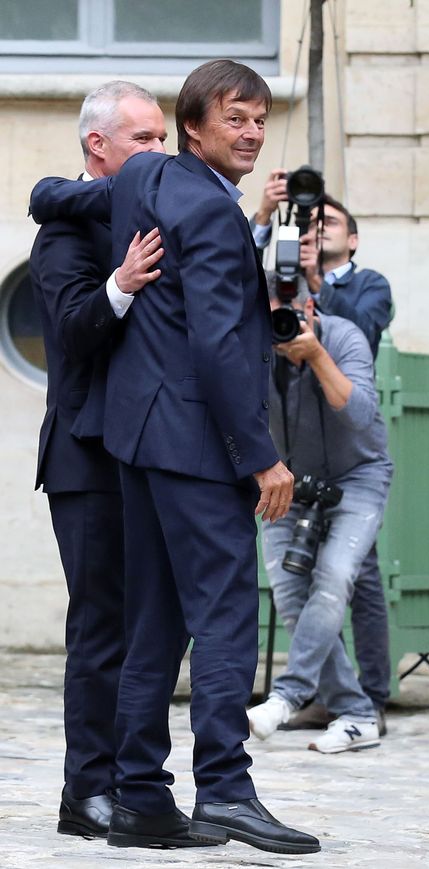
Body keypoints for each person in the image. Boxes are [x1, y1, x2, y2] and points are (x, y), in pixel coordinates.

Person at [30, 60, 320, 856]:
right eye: (236, 119)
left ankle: (141, 798)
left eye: (261, 120)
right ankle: (225, 788)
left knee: (153, 624)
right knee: (224, 615)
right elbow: (219, 347)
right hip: (193, 447)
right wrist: (262, 458)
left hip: (136, 444)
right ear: (196, 128)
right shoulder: (211, 211)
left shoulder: (145, 182)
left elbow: (57, 194)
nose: (254, 133)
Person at [29, 80, 167, 840]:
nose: (159, 151)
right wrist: (120, 284)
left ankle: (136, 784)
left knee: (145, 628)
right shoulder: (62, 234)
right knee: (101, 629)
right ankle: (86, 793)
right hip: (85, 462)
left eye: (161, 137)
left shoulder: (143, 216)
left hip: (147, 456)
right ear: (99, 147)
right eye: (144, 139)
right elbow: (73, 335)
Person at [252, 177, 393, 728]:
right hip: (291, 473)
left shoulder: (351, 316)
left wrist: (313, 351)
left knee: (340, 578)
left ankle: (292, 695)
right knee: (293, 592)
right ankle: (353, 708)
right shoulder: (255, 341)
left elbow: (360, 415)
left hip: (356, 469)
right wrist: (263, 217)